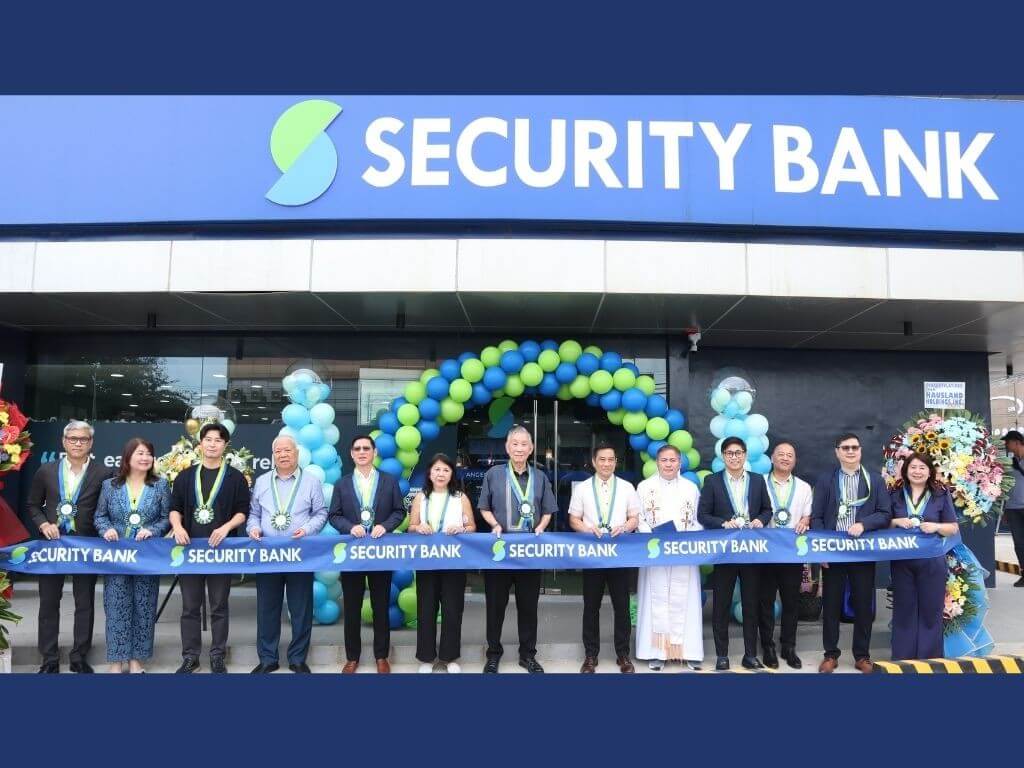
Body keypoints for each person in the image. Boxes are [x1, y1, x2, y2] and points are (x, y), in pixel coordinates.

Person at [26, 420, 114, 673]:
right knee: (48, 602)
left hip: (86, 546)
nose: (78, 443)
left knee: (84, 602)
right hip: (52, 545)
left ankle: (79, 657)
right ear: (64, 442)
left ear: (91, 443)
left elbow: (107, 508)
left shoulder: (103, 473)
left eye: (83, 439)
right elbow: (33, 505)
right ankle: (49, 659)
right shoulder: (46, 471)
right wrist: (43, 524)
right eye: (73, 438)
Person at [169, 422, 251, 674]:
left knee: (219, 607)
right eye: (208, 439)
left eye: (218, 440)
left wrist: (226, 527)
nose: (212, 444)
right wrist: (178, 526)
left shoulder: (235, 477)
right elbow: (174, 508)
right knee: (190, 608)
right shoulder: (185, 476)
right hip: (190, 551)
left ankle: (217, 655)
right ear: (200, 444)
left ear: (226, 445)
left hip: (221, 551)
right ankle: (190, 656)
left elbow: (243, 512)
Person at [477, 425, 556, 673]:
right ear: (507, 447)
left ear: (531, 449)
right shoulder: (493, 474)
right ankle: (493, 654)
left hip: (529, 554)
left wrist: (541, 527)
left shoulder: (540, 477)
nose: (519, 448)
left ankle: (528, 655)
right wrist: (494, 524)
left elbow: (548, 510)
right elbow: (484, 507)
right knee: (495, 607)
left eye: (524, 444)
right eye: (515, 444)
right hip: (500, 552)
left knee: (528, 607)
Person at [811, 432, 892, 673]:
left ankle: (862, 656)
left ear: (860, 451)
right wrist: (821, 550)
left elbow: (885, 513)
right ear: (837, 452)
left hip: (862, 552)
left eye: (854, 447)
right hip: (834, 552)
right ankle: (830, 655)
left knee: (863, 605)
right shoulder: (826, 480)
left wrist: (864, 524)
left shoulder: (875, 480)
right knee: (831, 605)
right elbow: (817, 517)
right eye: (845, 447)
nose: (850, 451)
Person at [247, 435, 328, 673]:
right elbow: (254, 514)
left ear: (297, 453)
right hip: (268, 555)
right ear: (273, 455)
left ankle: (297, 659)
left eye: (287, 450)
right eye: (278, 451)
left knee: (301, 608)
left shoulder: (311, 481)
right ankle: (267, 659)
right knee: (267, 608)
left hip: (299, 554)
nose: (283, 455)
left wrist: (308, 529)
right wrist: (253, 528)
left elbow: (321, 513)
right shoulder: (262, 481)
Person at [328, 434, 406, 674]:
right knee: (351, 608)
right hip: (353, 554)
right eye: (357, 449)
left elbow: (399, 511)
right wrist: (350, 527)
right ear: (351, 454)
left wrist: (386, 526)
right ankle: (352, 657)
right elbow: (334, 515)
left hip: (380, 553)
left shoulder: (389, 481)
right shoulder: (342, 484)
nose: (362, 452)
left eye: (366, 448)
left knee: (380, 606)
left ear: (374, 453)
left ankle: (381, 656)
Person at [94, 438, 171, 673]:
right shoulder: (110, 486)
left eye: (149, 453)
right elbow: (100, 516)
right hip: (118, 558)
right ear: (128, 457)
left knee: (144, 607)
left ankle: (137, 660)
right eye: (140, 453)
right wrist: (106, 529)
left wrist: (153, 530)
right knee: (116, 607)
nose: (145, 458)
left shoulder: (160, 485)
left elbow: (166, 518)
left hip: (147, 557)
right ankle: (116, 661)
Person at [698, 436, 772, 670]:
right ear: (723, 456)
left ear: (745, 454)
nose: (734, 457)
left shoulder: (757, 480)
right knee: (721, 604)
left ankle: (750, 655)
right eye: (729, 453)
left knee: (751, 603)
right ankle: (722, 655)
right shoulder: (712, 481)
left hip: (751, 552)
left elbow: (767, 509)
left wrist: (761, 520)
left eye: (738, 452)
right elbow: (703, 515)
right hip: (726, 552)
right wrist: (722, 523)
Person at [568, 442, 640, 673]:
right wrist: (587, 529)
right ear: (594, 462)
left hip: (619, 555)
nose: (606, 464)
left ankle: (623, 655)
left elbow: (634, 518)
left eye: (611, 459)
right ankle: (591, 656)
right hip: (593, 555)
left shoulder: (627, 487)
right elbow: (573, 519)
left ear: (616, 462)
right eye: (602, 459)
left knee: (622, 606)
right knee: (591, 606)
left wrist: (626, 526)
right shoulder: (582, 488)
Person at [636, 444, 703, 671]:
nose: (668, 464)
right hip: (654, 552)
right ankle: (657, 653)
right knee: (656, 599)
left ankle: (688, 652)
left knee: (685, 600)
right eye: (664, 460)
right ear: (657, 462)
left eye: (672, 460)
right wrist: (652, 537)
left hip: (683, 553)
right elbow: (639, 518)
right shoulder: (644, 487)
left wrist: (686, 537)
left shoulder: (691, 488)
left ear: (680, 462)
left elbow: (698, 519)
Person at [408, 453, 475, 673]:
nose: (441, 474)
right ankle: (426, 658)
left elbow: (472, 527)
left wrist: (462, 529)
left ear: (451, 474)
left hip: (454, 562)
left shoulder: (460, 497)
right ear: (430, 473)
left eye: (446, 470)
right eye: (437, 469)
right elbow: (411, 526)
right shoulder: (420, 497)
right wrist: (419, 527)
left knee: (452, 610)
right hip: (427, 562)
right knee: (426, 610)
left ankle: (449, 657)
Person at [889, 452, 959, 660]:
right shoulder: (895, 494)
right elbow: (883, 523)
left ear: (929, 472)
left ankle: (929, 659)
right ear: (905, 471)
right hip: (902, 561)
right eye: (913, 467)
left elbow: (953, 528)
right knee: (904, 610)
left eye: (922, 468)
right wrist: (895, 522)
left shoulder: (940, 494)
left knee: (931, 611)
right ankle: (903, 658)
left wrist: (936, 526)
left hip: (932, 561)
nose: (917, 471)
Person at [758, 441, 813, 669]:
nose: (785, 458)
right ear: (772, 458)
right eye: (780, 454)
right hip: (765, 552)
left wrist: (805, 520)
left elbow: (808, 516)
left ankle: (789, 646)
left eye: (790, 455)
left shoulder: (804, 487)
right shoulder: (759, 483)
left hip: (791, 553)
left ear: (795, 460)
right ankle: (767, 646)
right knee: (765, 602)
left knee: (791, 602)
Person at [1001, 430, 1024, 587]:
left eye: (1007, 442)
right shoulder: (1009, 463)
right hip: (1013, 509)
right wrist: (1005, 508)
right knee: (1019, 544)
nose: (1006, 445)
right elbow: (1006, 488)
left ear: (1016, 442)